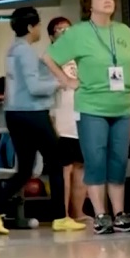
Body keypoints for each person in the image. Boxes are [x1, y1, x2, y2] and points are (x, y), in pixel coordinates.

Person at [43, 0, 130, 234]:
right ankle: (101, 214)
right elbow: (49, 57)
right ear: (89, 5)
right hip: (91, 106)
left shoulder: (123, 32)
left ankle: (119, 214)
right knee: (95, 159)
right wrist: (67, 80)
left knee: (118, 160)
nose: (107, 0)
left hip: (121, 105)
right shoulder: (77, 33)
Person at [0, 7, 86, 235]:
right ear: (30, 27)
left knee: (25, 169)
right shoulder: (25, 51)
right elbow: (35, 87)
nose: (39, 29)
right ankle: (60, 217)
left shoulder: (13, 50)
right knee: (57, 162)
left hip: (14, 114)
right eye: (37, 25)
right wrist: (64, 82)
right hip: (32, 113)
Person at [47, 17, 87, 220]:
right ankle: (62, 215)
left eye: (67, 29)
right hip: (60, 118)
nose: (64, 32)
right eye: (59, 29)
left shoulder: (80, 56)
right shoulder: (49, 59)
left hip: (82, 116)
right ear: (52, 36)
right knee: (65, 168)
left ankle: (78, 212)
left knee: (81, 166)